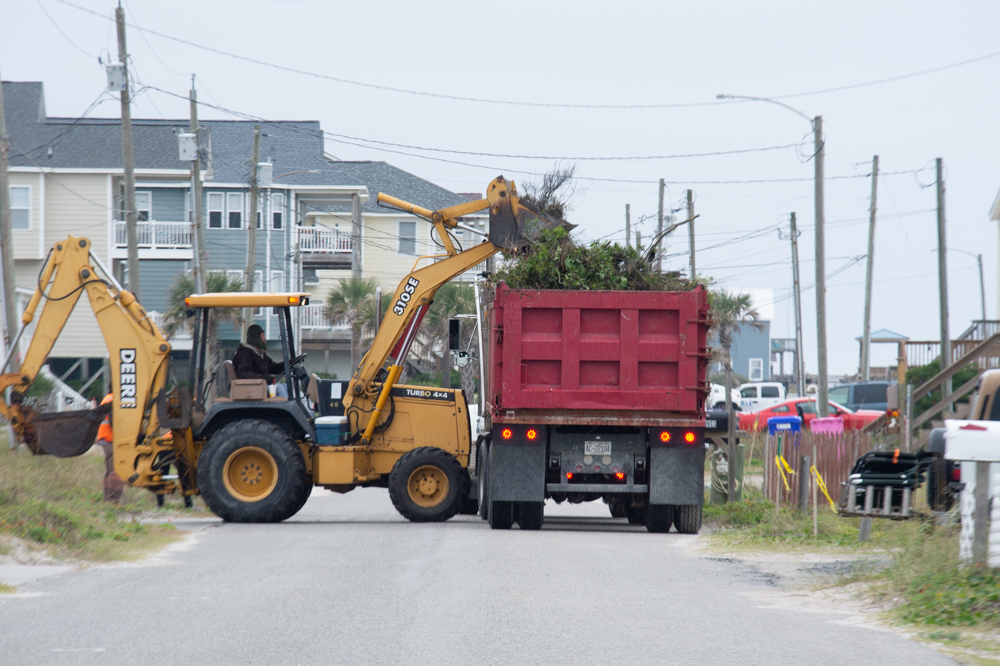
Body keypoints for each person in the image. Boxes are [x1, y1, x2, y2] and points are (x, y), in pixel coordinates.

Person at [233, 324, 288, 397]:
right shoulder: (245, 353)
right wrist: (263, 378)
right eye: (263, 336)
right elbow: (244, 373)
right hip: (253, 388)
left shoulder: (259, 353)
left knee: (286, 387)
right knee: (279, 388)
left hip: (260, 385)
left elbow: (272, 367)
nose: (265, 339)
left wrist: (288, 364)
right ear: (256, 338)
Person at [97, 393, 125, 503]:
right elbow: (114, 420)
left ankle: (108, 497)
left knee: (110, 470)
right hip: (111, 439)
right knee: (117, 470)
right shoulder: (114, 399)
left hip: (106, 439)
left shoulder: (107, 398)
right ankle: (113, 499)